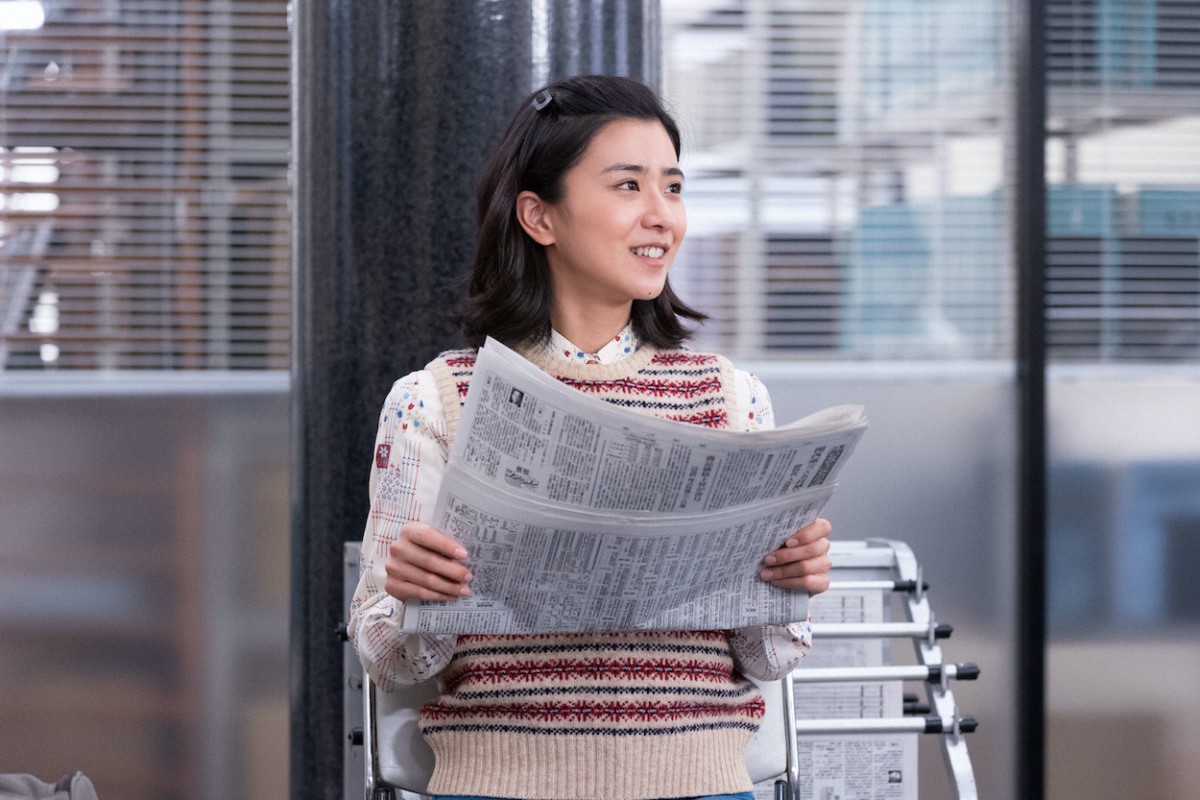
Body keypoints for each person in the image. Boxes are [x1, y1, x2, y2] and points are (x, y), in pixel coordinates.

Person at [348, 74, 834, 800]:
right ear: (540, 217)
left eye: (672, 187)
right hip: (499, 787)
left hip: (699, 786)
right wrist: (420, 600)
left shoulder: (731, 398)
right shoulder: (438, 399)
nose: (662, 216)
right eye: (628, 186)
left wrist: (787, 589)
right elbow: (388, 657)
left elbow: (767, 659)